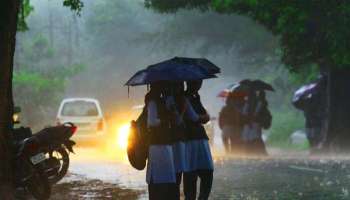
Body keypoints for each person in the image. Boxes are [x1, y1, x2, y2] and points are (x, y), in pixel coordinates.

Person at [145, 82, 177, 200]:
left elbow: (176, 119)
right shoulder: (153, 102)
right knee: (158, 179)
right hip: (157, 145)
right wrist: (165, 119)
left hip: (165, 144)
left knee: (165, 179)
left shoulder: (164, 101)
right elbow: (151, 122)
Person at [183, 80, 214, 200]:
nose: (199, 84)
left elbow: (204, 116)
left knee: (207, 172)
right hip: (190, 140)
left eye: (200, 81)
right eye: (197, 81)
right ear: (189, 82)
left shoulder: (195, 97)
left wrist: (204, 117)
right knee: (191, 175)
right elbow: (195, 117)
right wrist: (204, 117)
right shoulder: (184, 97)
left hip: (200, 138)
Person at [163, 81, 187, 199]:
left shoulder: (170, 100)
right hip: (174, 140)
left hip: (175, 140)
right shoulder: (170, 101)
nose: (179, 87)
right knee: (175, 175)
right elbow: (177, 121)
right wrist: (182, 111)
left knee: (176, 176)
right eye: (178, 84)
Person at [241, 90, 271, 156]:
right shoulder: (259, 102)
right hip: (253, 122)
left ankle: (252, 152)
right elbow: (251, 113)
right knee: (254, 138)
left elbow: (248, 113)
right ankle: (257, 152)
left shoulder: (253, 102)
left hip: (252, 122)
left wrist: (249, 121)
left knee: (253, 139)